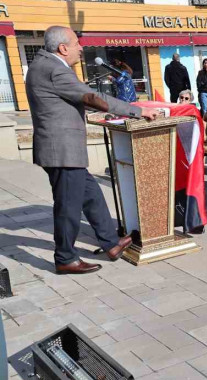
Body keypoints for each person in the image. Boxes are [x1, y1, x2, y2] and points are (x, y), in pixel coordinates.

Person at [26, 26, 160, 274]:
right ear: (63, 48)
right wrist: (138, 111)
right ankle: (65, 257)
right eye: (77, 43)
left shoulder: (44, 65)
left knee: (91, 195)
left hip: (62, 149)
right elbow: (91, 97)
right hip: (62, 151)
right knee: (68, 206)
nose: (81, 48)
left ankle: (111, 243)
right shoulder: (54, 69)